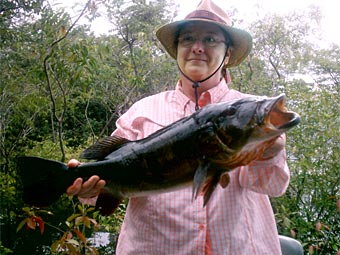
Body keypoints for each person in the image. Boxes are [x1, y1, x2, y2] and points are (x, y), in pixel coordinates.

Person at [67, 0, 290, 254]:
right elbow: (102, 191)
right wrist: (86, 186)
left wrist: (270, 151)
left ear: (227, 54)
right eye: (187, 39)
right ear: (177, 49)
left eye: (210, 39)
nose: (197, 48)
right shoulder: (141, 112)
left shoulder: (249, 110)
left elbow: (272, 186)